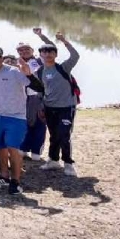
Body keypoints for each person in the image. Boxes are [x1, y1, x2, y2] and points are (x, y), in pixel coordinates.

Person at [0, 45, 44, 195]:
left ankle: (15, 182)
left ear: (1, 58)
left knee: (13, 149)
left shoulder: (14, 72)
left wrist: (29, 75)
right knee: (0, 146)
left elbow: (39, 88)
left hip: (15, 116)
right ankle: (4, 176)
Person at [35, 30, 81, 177]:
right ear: (40, 55)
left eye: (51, 52)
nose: (48, 54)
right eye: (44, 52)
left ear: (55, 54)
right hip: (49, 108)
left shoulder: (63, 67)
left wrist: (64, 41)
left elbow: (75, 56)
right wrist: (41, 106)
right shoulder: (39, 71)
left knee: (64, 134)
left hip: (66, 107)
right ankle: (53, 160)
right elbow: (40, 90)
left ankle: (68, 163)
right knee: (54, 135)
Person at [15, 39, 46, 162]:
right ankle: (24, 148)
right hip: (23, 98)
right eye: (21, 50)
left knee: (40, 123)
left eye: (27, 49)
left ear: (32, 50)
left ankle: (36, 151)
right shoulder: (16, 63)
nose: (24, 51)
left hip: (39, 97)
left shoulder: (39, 61)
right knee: (26, 124)